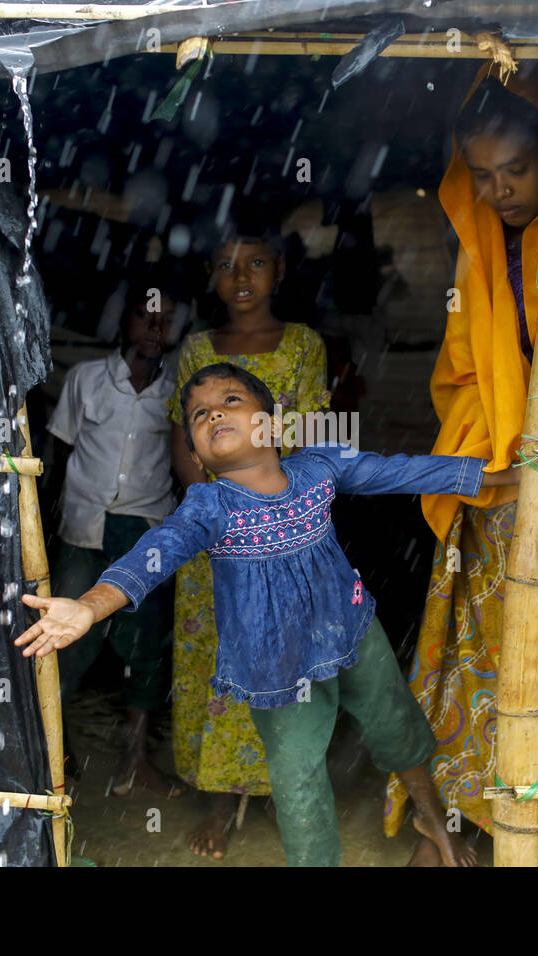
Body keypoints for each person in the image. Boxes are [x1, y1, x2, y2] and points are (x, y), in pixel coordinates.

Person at [17, 363, 518, 866]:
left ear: (273, 426)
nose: (214, 412)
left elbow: (401, 470)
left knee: (399, 728)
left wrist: (502, 475)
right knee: (299, 786)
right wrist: (88, 604)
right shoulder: (208, 506)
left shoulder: (318, 468)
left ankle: (431, 819)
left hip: (353, 633)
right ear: (196, 456)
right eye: (199, 415)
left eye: (231, 400)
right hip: (278, 672)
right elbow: (154, 555)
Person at [383, 66, 538, 864]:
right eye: (482, 176)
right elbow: (460, 375)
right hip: (491, 489)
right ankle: (459, 821)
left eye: (515, 172)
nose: (498, 191)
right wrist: (486, 457)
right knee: (478, 660)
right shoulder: (479, 257)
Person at [163, 229, 331, 858]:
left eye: (256, 264)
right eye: (228, 265)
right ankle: (219, 794)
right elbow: (182, 438)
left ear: (279, 271)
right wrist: (209, 510)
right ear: (211, 272)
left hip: (283, 529)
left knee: (284, 654)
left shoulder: (303, 346)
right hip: (215, 533)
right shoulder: (198, 350)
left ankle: (282, 785)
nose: (242, 277)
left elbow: (312, 439)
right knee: (216, 656)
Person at [44, 275, 187, 796]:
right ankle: (47, 751)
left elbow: (180, 465)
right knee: (64, 639)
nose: (155, 328)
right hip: (82, 527)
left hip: (144, 529)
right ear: (125, 321)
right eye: (146, 316)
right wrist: (48, 521)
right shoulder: (86, 379)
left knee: (144, 644)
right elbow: (59, 454)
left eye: (167, 320)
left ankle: (135, 762)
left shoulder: (179, 389)